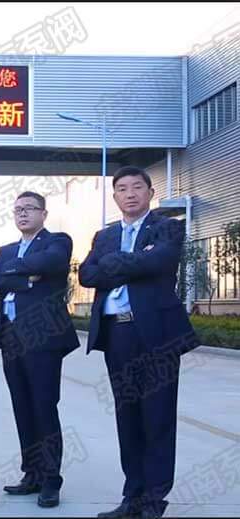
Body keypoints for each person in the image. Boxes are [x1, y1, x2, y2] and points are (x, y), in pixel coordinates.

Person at [79, 166, 199, 519]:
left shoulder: (167, 227)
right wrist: (136, 261)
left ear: (150, 192)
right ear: (115, 196)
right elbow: (87, 273)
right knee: (127, 416)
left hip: (157, 335)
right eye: (122, 188)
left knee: (158, 416)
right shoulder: (104, 235)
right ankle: (131, 497)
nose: (129, 194)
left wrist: (115, 264)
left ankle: (154, 501)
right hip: (117, 334)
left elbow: (160, 260)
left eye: (136, 187)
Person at [0, 191, 79, 508]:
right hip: (10, 336)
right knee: (22, 407)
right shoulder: (6, 250)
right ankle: (32, 474)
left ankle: (51, 479)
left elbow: (51, 262)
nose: (22, 214)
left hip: (42, 338)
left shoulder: (57, 242)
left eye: (29, 208)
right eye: (17, 210)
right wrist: (26, 279)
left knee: (44, 406)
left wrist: (11, 271)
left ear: (43, 214)